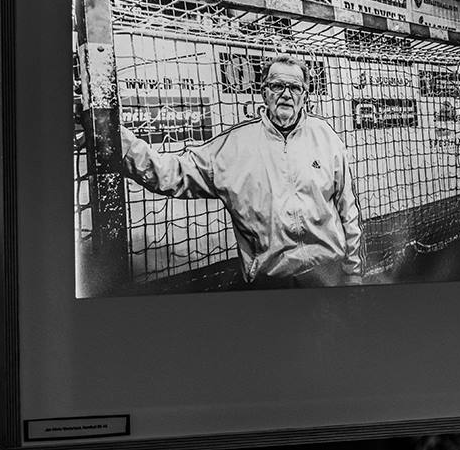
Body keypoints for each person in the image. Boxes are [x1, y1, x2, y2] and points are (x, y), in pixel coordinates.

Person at [119, 53, 363, 288]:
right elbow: (171, 174)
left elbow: (348, 209)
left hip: (329, 275)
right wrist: (120, 142)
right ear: (264, 93)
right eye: (277, 86)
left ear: (305, 95)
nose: (286, 94)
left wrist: (353, 272)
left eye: (295, 88)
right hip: (271, 284)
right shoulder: (234, 147)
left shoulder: (326, 137)